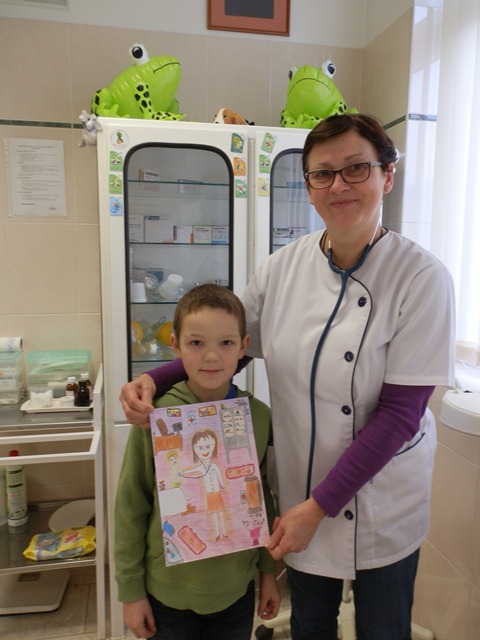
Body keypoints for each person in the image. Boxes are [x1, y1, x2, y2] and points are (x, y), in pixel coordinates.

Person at [119, 113, 455, 640]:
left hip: (381, 500)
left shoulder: (422, 278)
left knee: (384, 628)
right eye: (322, 173)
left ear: (388, 175)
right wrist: (156, 382)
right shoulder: (282, 269)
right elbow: (229, 345)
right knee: (311, 624)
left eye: (356, 168)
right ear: (309, 187)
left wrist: (320, 507)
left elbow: (399, 416)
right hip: (302, 491)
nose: (338, 185)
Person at [114, 284, 281, 640]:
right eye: (196, 343)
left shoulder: (258, 416)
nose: (211, 356)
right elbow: (131, 505)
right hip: (167, 593)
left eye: (226, 342)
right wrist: (130, 591)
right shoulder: (156, 418)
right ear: (175, 346)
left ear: (244, 346)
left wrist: (268, 572)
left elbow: (261, 500)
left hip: (236, 589)